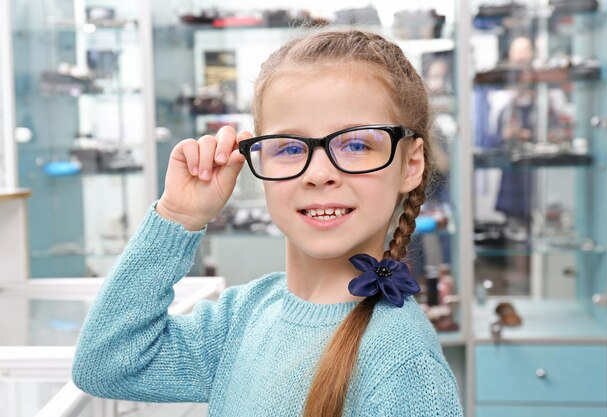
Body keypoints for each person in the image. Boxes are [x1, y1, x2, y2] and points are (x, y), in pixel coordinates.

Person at [72, 29, 463, 417]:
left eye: (357, 144)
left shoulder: (404, 362)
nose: (320, 174)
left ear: (411, 164)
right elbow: (106, 365)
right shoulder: (244, 315)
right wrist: (179, 217)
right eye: (291, 148)